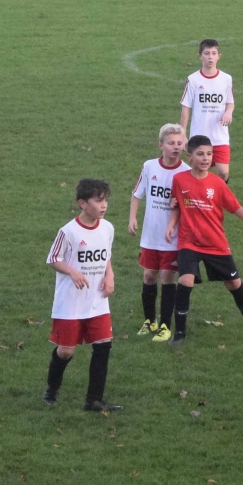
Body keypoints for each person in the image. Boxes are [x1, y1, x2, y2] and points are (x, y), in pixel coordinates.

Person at [164, 135, 243, 346]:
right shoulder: (179, 180)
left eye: (209, 154)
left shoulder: (217, 184)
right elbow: (177, 206)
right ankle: (179, 333)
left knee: (234, 283)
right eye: (200, 154)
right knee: (185, 280)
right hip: (188, 242)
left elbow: (235, 207)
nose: (205, 158)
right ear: (190, 157)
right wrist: (171, 224)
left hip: (215, 243)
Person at [44, 179, 120, 413]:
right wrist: (72, 271)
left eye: (105, 200)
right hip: (71, 303)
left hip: (97, 301)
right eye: (98, 201)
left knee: (103, 345)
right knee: (66, 351)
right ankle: (52, 389)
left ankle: (94, 400)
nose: (104, 205)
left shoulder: (107, 228)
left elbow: (106, 256)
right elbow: (53, 259)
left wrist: (110, 275)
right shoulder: (68, 232)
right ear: (82, 204)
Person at [128, 123, 188, 341]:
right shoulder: (150, 166)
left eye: (180, 143)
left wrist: (177, 203)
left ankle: (165, 325)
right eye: (171, 143)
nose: (176, 147)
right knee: (149, 275)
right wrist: (132, 218)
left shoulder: (185, 172)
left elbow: (189, 204)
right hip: (150, 235)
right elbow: (137, 194)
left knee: (167, 278)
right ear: (160, 145)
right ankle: (149, 321)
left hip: (171, 237)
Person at [181, 39, 234, 177]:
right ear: (200, 56)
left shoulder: (226, 79)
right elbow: (186, 107)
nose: (210, 57)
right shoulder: (193, 79)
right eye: (206, 53)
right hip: (199, 134)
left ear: (219, 56)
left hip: (220, 135)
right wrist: (183, 133)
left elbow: (230, 102)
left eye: (213, 53)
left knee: (224, 172)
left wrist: (229, 112)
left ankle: (218, 191)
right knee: (200, 173)